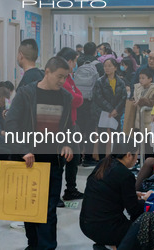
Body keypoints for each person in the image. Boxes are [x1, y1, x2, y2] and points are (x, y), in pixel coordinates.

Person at [4, 56, 75, 250]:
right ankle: (33, 245)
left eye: (65, 77)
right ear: (47, 72)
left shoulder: (65, 97)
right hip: (29, 161)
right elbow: (11, 125)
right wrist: (23, 150)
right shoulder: (26, 94)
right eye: (59, 76)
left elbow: (69, 127)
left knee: (48, 209)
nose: (62, 81)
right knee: (30, 208)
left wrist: (68, 144)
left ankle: (47, 247)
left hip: (53, 162)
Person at [80, 138, 146, 249]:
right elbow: (133, 210)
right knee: (143, 231)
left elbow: (108, 192)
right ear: (129, 155)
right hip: (105, 227)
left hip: (86, 224)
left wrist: (132, 194)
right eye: (137, 156)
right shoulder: (125, 175)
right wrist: (148, 200)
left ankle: (107, 244)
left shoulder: (104, 163)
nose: (137, 160)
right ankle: (109, 243)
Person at [56, 47, 84, 202]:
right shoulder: (62, 79)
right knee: (61, 160)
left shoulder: (69, 77)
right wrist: (77, 97)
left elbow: (78, 94)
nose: (75, 65)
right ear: (69, 61)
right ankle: (56, 194)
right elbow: (75, 99)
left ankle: (70, 189)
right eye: (74, 61)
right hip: (62, 126)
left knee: (74, 157)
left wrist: (77, 96)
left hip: (72, 123)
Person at [91, 58, 127, 158]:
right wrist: (111, 109)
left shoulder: (121, 82)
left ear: (115, 67)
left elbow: (123, 97)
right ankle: (102, 161)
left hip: (117, 113)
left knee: (116, 137)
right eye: (105, 66)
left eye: (110, 66)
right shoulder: (100, 82)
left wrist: (116, 110)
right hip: (103, 113)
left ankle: (116, 159)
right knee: (103, 138)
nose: (107, 68)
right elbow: (98, 98)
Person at [76, 42, 104, 166]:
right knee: (91, 131)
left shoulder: (78, 62)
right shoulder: (98, 65)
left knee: (79, 130)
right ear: (95, 52)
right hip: (92, 102)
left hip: (78, 101)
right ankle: (88, 158)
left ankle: (77, 158)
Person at [123, 67, 154, 135]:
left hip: (148, 123)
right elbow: (135, 98)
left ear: (150, 79)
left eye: (143, 78)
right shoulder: (138, 88)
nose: (141, 80)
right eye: (140, 78)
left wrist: (141, 101)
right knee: (138, 143)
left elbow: (153, 102)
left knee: (147, 144)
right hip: (138, 122)